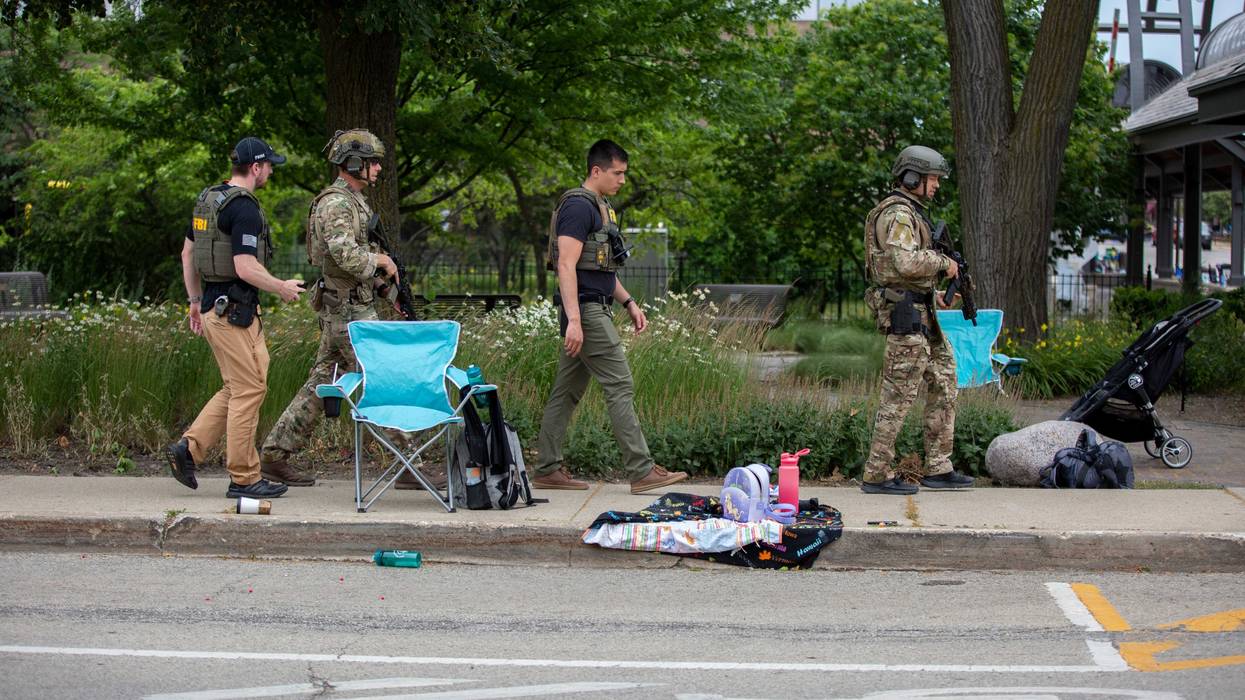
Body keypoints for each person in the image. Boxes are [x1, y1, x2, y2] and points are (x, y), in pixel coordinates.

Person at [258, 128, 419, 487]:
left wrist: (381, 285)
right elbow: (344, 254)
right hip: (347, 312)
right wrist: (380, 261)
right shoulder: (337, 203)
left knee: (323, 383)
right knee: (381, 375)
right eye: (373, 162)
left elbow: (347, 260)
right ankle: (407, 463)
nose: (378, 169)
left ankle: (273, 456)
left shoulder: (353, 200)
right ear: (354, 163)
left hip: (348, 306)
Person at [531, 139, 688, 495]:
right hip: (585, 311)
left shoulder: (601, 208)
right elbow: (566, 265)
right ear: (596, 171)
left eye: (624, 174)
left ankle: (547, 468)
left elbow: (600, 269)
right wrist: (574, 320)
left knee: (566, 391)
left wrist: (629, 302)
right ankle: (642, 469)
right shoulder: (578, 206)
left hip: (594, 305)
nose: (622, 180)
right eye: (617, 173)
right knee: (620, 384)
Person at [167, 137, 305, 499]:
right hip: (234, 314)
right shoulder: (243, 209)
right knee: (249, 390)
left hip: (217, 308)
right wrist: (281, 287)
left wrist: (195, 300)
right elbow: (244, 267)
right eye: (269, 165)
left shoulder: (208, 200)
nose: (271, 171)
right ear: (255, 167)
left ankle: (189, 449)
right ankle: (244, 478)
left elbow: (188, 253)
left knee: (245, 381)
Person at [860, 145, 975, 495]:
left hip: (924, 314)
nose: (937, 185)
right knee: (898, 396)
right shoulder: (897, 215)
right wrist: (944, 265)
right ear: (912, 177)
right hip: (906, 319)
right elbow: (905, 263)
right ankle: (876, 474)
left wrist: (934, 293)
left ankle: (939, 466)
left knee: (945, 381)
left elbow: (908, 273)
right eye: (933, 178)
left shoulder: (912, 213)